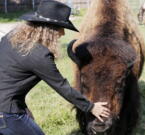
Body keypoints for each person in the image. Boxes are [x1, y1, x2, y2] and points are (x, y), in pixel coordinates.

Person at [0, 0, 110, 135]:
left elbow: (8, 79)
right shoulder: (40, 55)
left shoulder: (10, 38)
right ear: (49, 30)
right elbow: (62, 87)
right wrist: (91, 107)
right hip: (6, 113)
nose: (63, 33)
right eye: (60, 28)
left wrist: (21, 105)